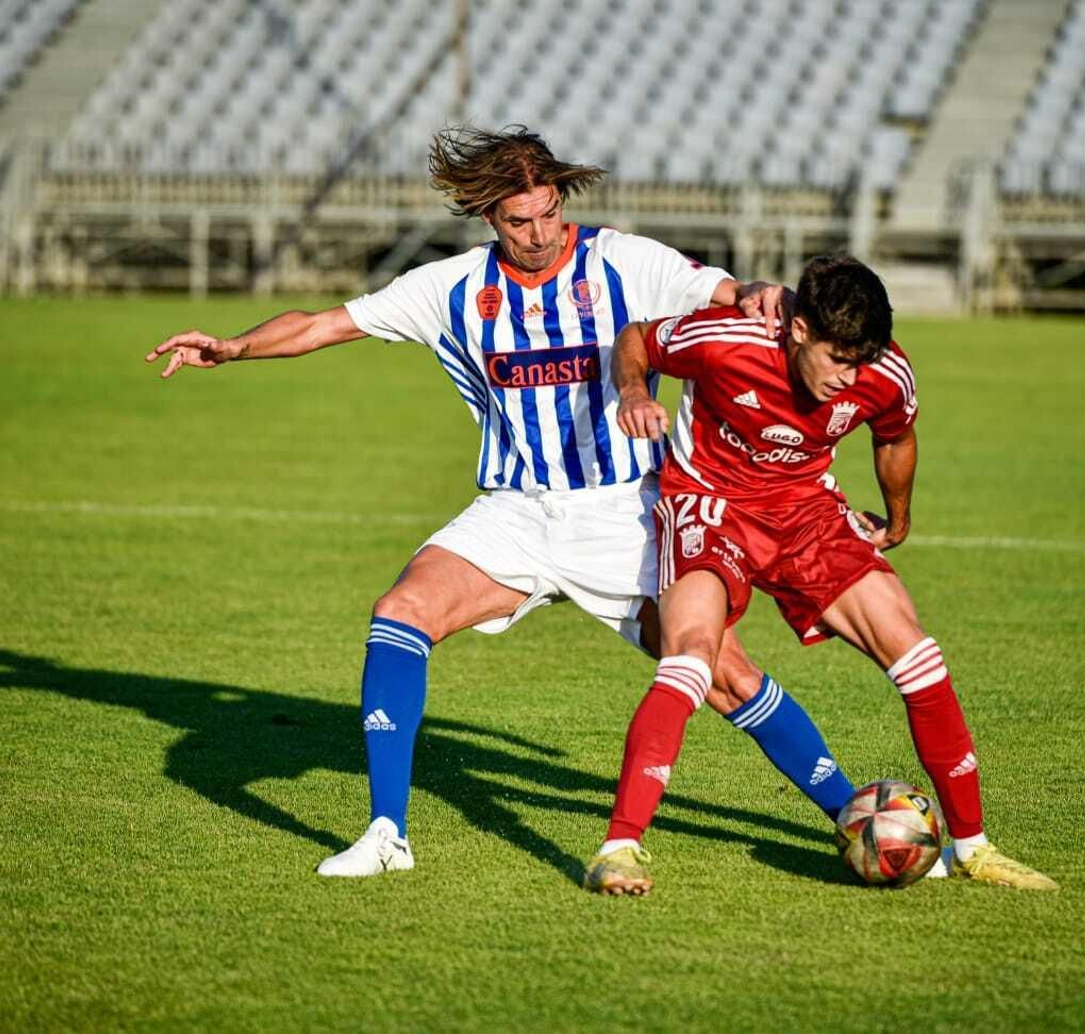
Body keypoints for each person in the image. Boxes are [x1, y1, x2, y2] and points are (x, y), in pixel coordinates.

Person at [145, 126, 862, 877]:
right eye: (520, 221)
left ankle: (853, 812)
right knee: (400, 613)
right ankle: (387, 834)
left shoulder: (624, 262)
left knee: (726, 675)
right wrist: (234, 347)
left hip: (627, 512)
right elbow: (324, 324)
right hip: (518, 511)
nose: (540, 233)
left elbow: (734, 294)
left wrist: (760, 293)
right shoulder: (449, 287)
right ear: (490, 216)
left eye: (550, 213)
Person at [585, 253, 1058, 894]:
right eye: (838, 360)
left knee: (917, 654)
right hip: (709, 504)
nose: (850, 377)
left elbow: (895, 435)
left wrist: (897, 519)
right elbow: (638, 339)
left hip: (806, 510)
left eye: (862, 361)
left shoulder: (883, 372)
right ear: (800, 329)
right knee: (691, 655)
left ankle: (974, 849)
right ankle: (619, 848)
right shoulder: (726, 338)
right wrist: (636, 392)